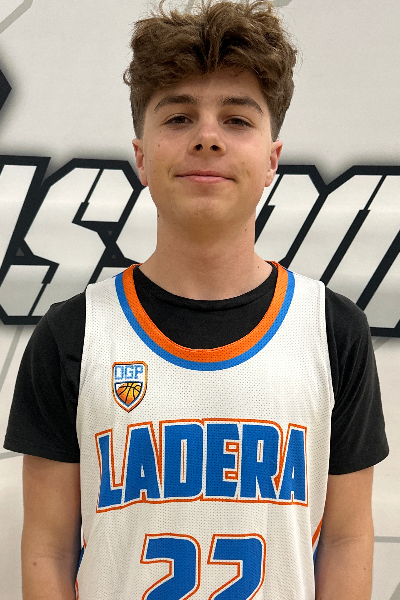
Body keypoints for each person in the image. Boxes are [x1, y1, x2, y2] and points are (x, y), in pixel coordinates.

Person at [4, 0, 389, 598]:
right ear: (141, 156)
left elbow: (345, 539)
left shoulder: (332, 330)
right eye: (179, 117)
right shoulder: (72, 334)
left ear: (272, 160)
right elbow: (48, 551)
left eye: (236, 120)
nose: (208, 138)